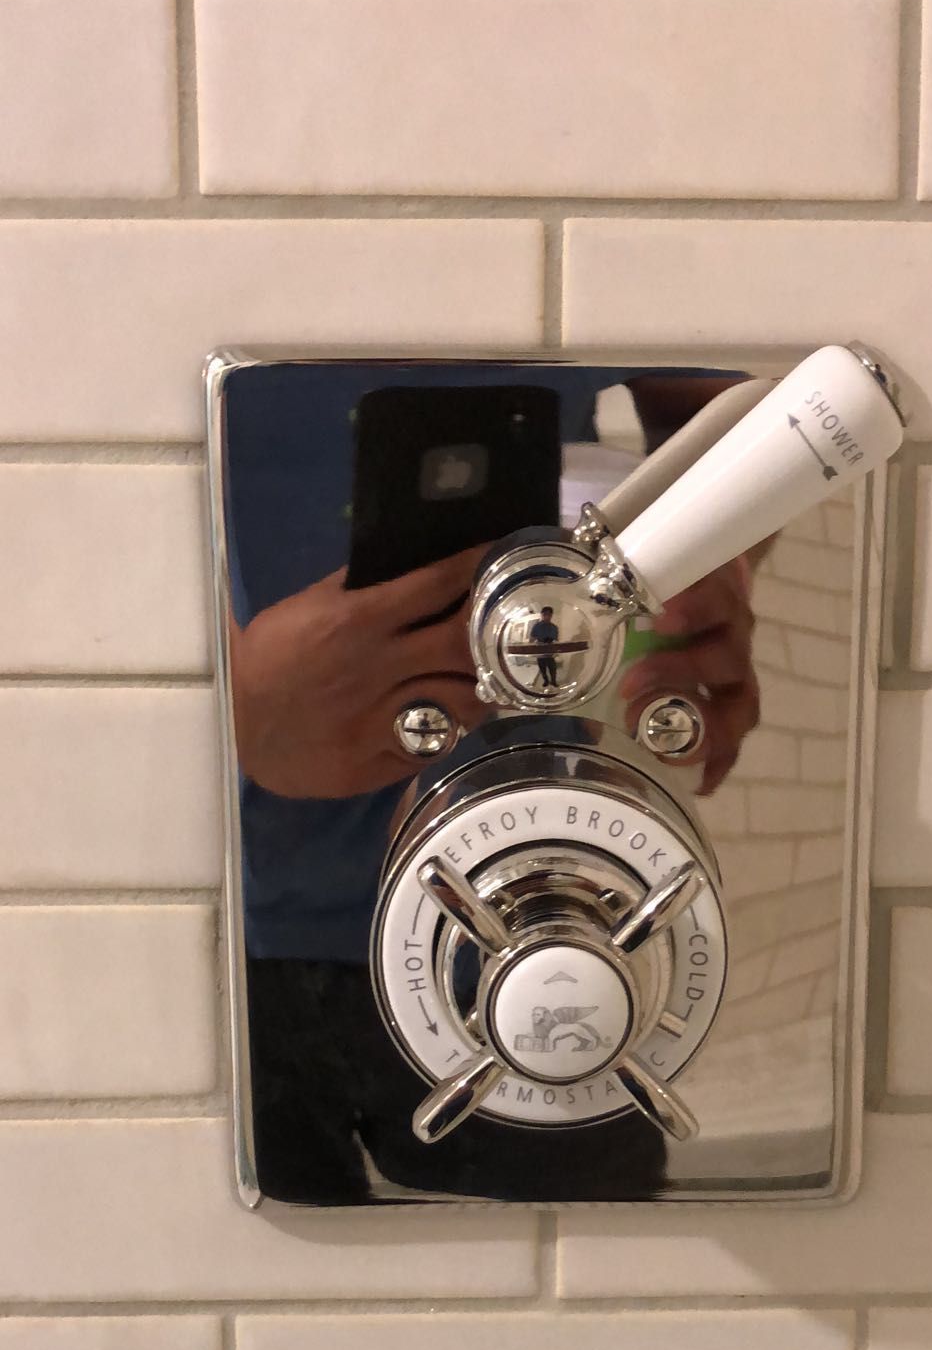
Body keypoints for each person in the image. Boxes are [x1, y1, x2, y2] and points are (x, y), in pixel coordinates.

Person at [226, 364, 762, 1202]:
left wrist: (723, 552)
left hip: (557, 896)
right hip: (252, 932)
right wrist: (233, 702)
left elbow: (732, 414)